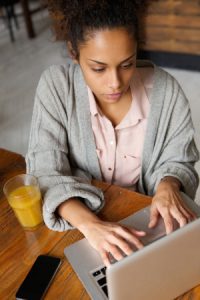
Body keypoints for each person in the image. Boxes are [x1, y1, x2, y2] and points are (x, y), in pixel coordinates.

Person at [26, 0, 199, 266]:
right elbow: (44, 173)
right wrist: (92, 226)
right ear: (74, 53)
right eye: (98, 68)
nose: (115, 82)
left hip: (146, 227)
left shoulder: (166, 91)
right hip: (79, 226)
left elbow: (180, 159)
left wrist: (168, 185)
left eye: (127, 64)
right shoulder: (56, 88)